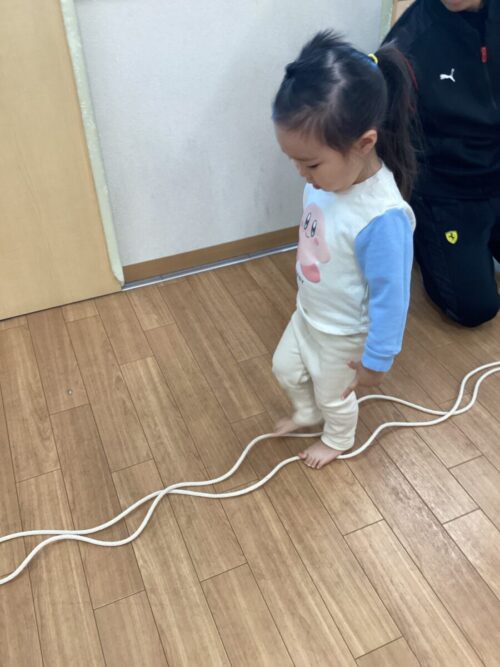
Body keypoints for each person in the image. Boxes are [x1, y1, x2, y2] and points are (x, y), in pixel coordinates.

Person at [271, 31, 417, 468]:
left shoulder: (382, 218)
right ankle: (307, 411)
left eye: (311, 163)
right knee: (284, 368)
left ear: (364, 143)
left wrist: (377, 360)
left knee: (335, 395)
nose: (301, 173)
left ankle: (337, 438)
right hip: (308, 313)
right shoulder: (325, 182)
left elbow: (393, 296)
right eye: (294, 160)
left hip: (345, 333)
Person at [385, 0, 500, 327]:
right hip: (448, 192)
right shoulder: (407, 43)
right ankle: (426, 239)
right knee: (475, 308)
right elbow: (387, 141)